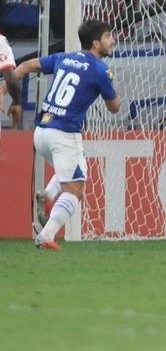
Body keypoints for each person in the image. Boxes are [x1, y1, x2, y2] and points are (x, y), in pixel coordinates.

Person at [13, 20, 120, 250]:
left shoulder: (64, 57)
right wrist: (110, 84)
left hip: (41, 133)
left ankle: (48, 194)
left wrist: (4, 88)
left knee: (78, 168)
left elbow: (25, 66)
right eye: (108, 36)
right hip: (64, 134)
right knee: (75, 191)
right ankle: (46, 235)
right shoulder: (101, 70)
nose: (113, 40)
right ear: (96, 43)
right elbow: (114, 107)